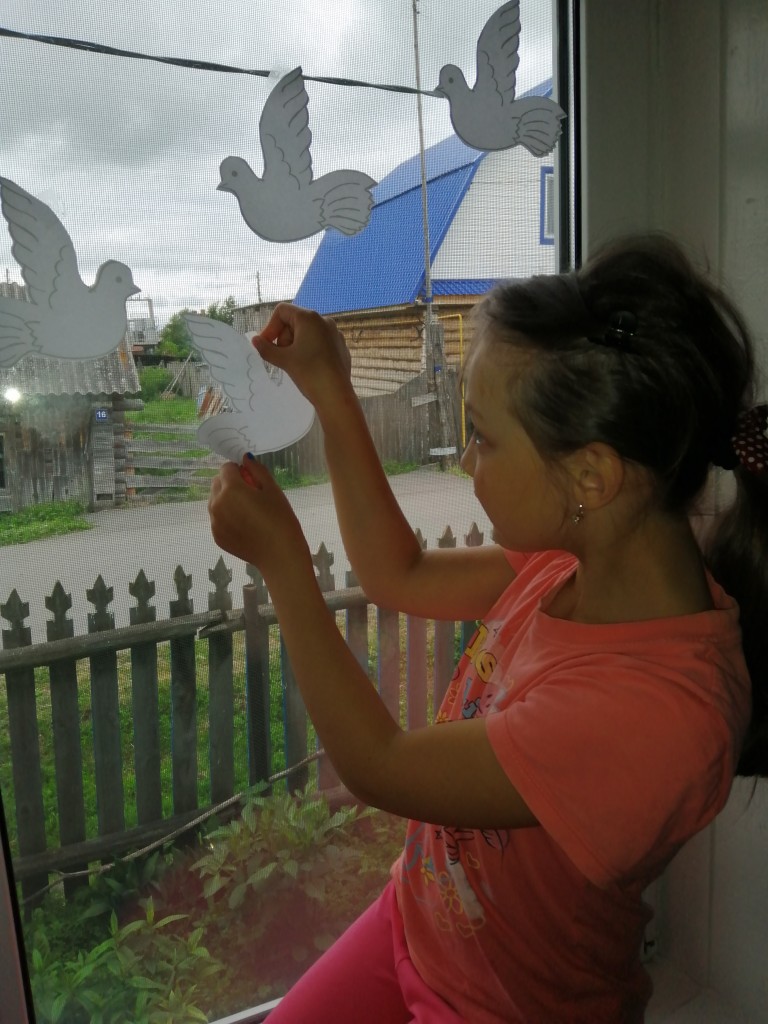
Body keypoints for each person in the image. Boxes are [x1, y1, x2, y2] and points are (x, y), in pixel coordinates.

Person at [207, 234, 768, 1023]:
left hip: (504, 1005)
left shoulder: (662, 714)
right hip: (418, 923)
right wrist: (330, 387)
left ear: (589, 475)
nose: (467, 461)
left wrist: (283, 568)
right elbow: (398, 571)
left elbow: (381, 764)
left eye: (483, 435)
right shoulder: (570, 562)